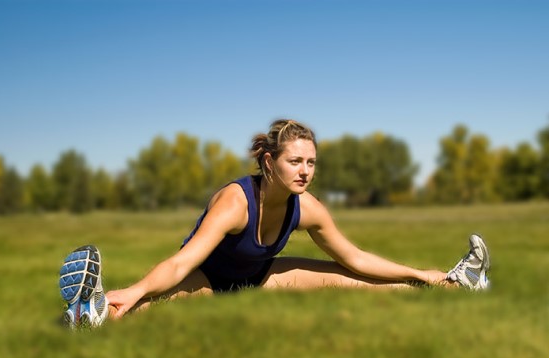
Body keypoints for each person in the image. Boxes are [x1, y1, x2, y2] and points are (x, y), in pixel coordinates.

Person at [58, 119, 491, 328]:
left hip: (263, 277)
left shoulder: (309, 208)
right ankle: (85, 314)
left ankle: (454, 282)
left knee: (353, 279)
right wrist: (135, 289)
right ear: (270, 161)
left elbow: (355, 257)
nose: (305, 171)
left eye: (312, 163)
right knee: (140, 308)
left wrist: (420, 272)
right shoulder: (235, 202)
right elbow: (179, 263)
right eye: (295, 161)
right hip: (207, 278)